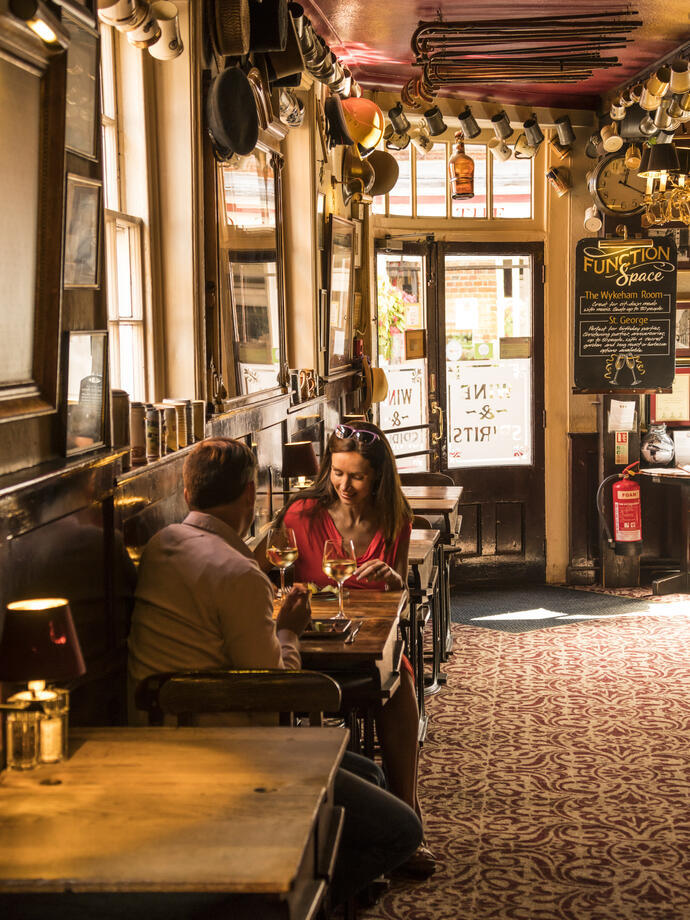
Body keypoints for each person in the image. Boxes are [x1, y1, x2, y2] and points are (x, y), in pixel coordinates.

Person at [127, 437, 422, 906]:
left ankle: (329, 878)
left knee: (372, 774)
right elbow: (277, 692)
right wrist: (287, 630)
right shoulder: (239, 572)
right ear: (250, 494)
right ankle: (288, 905)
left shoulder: (162, 544)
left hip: (163, 730)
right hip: (236, 751)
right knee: (402, 831)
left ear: (187, 494)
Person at [264, 420, 436, 879]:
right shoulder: (301, 515)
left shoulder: (394, 518)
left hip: (367, 641)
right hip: (305, 640)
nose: (345, 485)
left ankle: (408, 812)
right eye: (338, 473)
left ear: (378, 475)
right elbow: (273, 583)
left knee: (400, 686)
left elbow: (397, 598)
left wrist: (397, 582)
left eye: (357, 476)